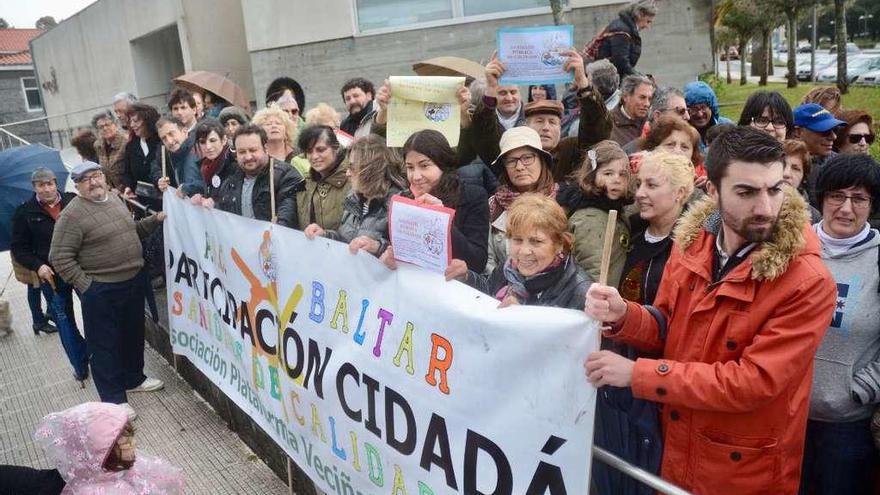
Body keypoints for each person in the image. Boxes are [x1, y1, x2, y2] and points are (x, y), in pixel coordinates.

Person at [584, 126, 837, 494]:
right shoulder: (691, 244)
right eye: (746, 192)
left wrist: (638, 374)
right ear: (713, 190)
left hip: (742, 471)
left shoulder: (807, 280)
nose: (765, 207)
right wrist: (624, 315)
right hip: (675, 449)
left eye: (775, 189)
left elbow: (753, 382)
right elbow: (667, 325)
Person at [593, 151, 694, 495]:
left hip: (662, 381)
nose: (639, 193)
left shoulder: (694, 251)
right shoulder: (629, 235)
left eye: (652, 185)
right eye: (639, 185)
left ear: (681, 192)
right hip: (616, 373)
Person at [49, 162, 166, 420]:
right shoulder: (72, 215)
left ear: (104, 177)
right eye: (85, 179)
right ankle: (114, 399)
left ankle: (134, 378)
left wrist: (155, 220)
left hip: (132, 281)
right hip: (101, 289)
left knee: (132, 335)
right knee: (105, 345)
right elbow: (59, 257)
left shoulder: (114, 199)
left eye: (97, 176)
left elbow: (131, 232)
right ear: (77, 186)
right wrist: (87, 285)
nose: (93, 182)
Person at [800, 153, 880, 495]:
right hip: (787, 418)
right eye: (837, 196)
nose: (846, 208)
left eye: (859, 199)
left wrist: (861, 390)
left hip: (848, 428)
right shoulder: (794, 248)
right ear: (822, 198)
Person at [474, 49, 612, 181]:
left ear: (560, 127)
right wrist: (491, 88)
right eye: (539, 121)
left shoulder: (572, 151)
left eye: (552, 122)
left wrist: (583, 83)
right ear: (526, 126)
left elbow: (596, 129)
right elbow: (484, 134)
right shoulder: (512, 154)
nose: (546, 127)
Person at [444, 193, 590, 310]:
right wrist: (466, 276)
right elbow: (489, 290)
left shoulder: (581, 292)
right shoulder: (509, 267)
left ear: (559, 244)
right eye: (517, 240)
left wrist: (522, 316)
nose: (524, 251)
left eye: (536, 241)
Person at [12, 167, 89, 381]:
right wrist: (38, 266)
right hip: (51, 276)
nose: (46, 189)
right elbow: (19, 248)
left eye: (49, 184)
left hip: (80, 269)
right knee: (65, 322)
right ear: (34, 187)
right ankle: (80, 365)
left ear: (56, 183)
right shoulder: (25, 212)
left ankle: (96, 354)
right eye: (41, 185)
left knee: (94, 313)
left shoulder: (73, 201)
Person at [34, 402, 184, 493]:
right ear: (103, 454)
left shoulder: (121, 466)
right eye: (126, 443)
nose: (134, 444)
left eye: (131, 437)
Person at [399, 129, 490, 272]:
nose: (416, 176)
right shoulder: (406, 198)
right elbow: (395, 245)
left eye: (424, 166)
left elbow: (477, 262)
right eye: (410, 167)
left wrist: (441, 219)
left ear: (442, 164)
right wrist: (379, 247)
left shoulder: (473, 196)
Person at [304, 134, 406, 256]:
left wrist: (378, 247)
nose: (347, 173)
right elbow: (347, 241)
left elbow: (406, 255)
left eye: (352, 168)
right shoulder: (354, 198)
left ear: (371, 170)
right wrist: (325, 235)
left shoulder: (397, 206)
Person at [484, 126, 559, 275]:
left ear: (541, 160)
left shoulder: (563, 202)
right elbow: (489, 261)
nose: (519, 167)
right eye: (511, 161)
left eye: (527, 158)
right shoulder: (493, 206)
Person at [201, 124, 303, 228]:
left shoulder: (286, 176)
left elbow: (288, 217)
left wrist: (278, 227)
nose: (248, 157)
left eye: (253, 150)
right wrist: (212, 204)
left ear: (266, 148)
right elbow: (223, 210)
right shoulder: (231, 179)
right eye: (242, 152)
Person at [567, 140, 633, 286]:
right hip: (598, 298)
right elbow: (592, 268)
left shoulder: (615, 209)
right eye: (608, 173)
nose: (616, 179)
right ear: (591, 176)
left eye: (622, 174)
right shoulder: (591, 219)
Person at [295, 125, 350, 231]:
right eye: (309, 151)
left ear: (336, 148)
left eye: (321, 150)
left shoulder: (354, 182)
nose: (314, 156)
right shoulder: (304, 184)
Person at [793, 103, 846, 202]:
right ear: (798, 132)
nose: (833, 137)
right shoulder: (780, 166)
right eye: (825, 131)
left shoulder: (841, 164)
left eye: (835, 130)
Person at [636, 114, 706, 183]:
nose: (677, 151)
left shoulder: (702, 187)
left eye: (684, 147)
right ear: (653, 148)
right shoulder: (637, 183)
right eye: (670, 145)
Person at [595, 0, 657, 78]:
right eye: (648, 21)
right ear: (640, 15)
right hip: (607, 79)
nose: (647, 26)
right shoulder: (622, 31)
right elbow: (621, 62)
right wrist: (640, 77)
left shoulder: (622, 27)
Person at [150, 115, 205, 196]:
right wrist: (161, 181)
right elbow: (155, 167)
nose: (169, 141)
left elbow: (212, 184)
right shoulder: (172, 155)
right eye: (164, 138)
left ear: (185, 132)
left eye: (171, 134)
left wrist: (187, 188)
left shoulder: (201, 149)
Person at [621, 86, 688, 153]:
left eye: (688, 111)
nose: (687, 117)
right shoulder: (631, 153)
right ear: (658, 116)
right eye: (681, 111)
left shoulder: (690, 147)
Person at [252, 104, 308, 177]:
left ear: (287, 130)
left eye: (278, 123)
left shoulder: (300, 154)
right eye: (268, 124)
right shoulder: (258, 158)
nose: (274, 126)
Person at [121, 103, 162, 194]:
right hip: (142, 203)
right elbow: (127, 173)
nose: (132, 125)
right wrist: (128, 187)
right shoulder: (131, 146)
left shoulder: (162, 142)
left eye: (135, 121)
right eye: (130, 121)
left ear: (147, 121)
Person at [684, 80, 734, 153]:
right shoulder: (683, 132)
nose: (700, 114)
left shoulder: (727, 126)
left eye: (703, 107)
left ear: (712, 107)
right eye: (694, 109)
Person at [193, 118, 236, 199]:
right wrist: (201, 197)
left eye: (212, 140)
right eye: (202, 142)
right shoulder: (204, 167)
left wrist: (215, 203)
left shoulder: (235, 163)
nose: (208, 147)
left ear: (223, 140)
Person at [783, 138, 821, 224]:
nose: (786, 174)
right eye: (782, 164)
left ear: (803, 177)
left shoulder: (813, 216)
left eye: (795, 168)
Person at [610, 75, 654, 146]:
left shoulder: (654, 122)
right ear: (625, 96)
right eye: (642, 97)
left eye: (649, 99)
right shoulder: (607, 124)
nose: (647, 104)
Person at [92, 110, 129, 190]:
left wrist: (121, 188)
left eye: (108, 124)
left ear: (115, 125)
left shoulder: (126, 142)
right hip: (110, 192)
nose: (105, 128)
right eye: (101, 127)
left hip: (127, 191)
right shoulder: (98, 145)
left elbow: (131, 171)